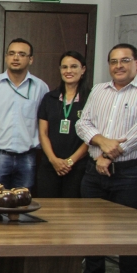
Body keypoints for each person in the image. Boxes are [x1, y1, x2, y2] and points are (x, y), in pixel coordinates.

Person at [76, 43, 137, 273]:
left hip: (128, 173)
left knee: (128, 235)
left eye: (125, 60)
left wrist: (108, 155)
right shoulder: (99, 90)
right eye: (113, 61)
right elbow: (82, 124)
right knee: (91, 231)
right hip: (93, 173)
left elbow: (135, 135)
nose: (118, 66)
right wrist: (101, 141)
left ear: (135, 63)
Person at [0, 38, 49, 189]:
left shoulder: (40, 87)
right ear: (6, 57)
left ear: (31, 59)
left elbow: (45, 123)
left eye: (21, 54)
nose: (15, 58)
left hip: (27, 157)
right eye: (11, 53)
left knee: (23, 200)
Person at [36, 51, 90, 198]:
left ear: (83, 69)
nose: (68, 71)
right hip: (50, 165)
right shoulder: (49, 98)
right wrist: (54, 160)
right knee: (48, 207)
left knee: (72, 209)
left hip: (78, 166)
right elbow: (43, 133)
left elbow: (92, 137)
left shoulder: (91, 99)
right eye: (64, 67)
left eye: (74, 66)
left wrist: (70, 161)